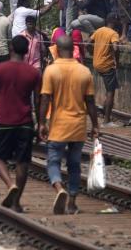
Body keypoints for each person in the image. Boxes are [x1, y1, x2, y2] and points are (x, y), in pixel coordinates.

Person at [38, 32, 99, 215]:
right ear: (73, 49)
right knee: (74, 165)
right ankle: (72, 202)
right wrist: (95, 125)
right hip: (78, 126)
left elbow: (45, 99)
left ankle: (59, 188)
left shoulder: (51, 70)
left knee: (53, 161)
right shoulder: (84, 71)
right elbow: (90, 102)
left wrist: (41, 123)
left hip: (59, 126)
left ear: (56, 49)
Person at [0, 35, 41, 213]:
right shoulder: (33, 72)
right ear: (26, 51)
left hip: (4, 121)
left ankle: (10, 184)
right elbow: (38, 100)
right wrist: (41, 123)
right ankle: (16, 202)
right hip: (25, 122)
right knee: (23, 162)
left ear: (11, 48)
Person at [90, 15, 123, 126]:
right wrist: (117, 62)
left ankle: (105, 114)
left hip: (96, 64)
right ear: (114, 22)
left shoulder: (99, 30)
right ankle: (106, 121)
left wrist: (92, 53)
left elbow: (89, 42)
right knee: (111, 92)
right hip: (106, 65)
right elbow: (116, 48)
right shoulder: (113, 34)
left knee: (108, 90)